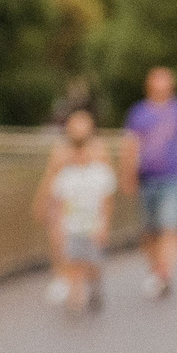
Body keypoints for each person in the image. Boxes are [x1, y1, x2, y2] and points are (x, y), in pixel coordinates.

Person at [121, 66, 177, 298]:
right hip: (147, 178)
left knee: (170, 225)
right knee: (150, 230)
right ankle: (156, 269)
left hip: (173, 177)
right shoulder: (139, 113)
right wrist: (127, 174)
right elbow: (131, 145)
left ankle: (165, 272)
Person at [41, 108, 115, 314]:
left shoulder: (99, 151)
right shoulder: (61, 152)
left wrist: (104, 224)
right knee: (69, 254)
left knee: (91, 260)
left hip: (91, 218)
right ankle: (73, 292)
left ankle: (92, 287)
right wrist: (44, 205)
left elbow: (106, 191)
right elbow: (52, 179)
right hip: (69, 215)